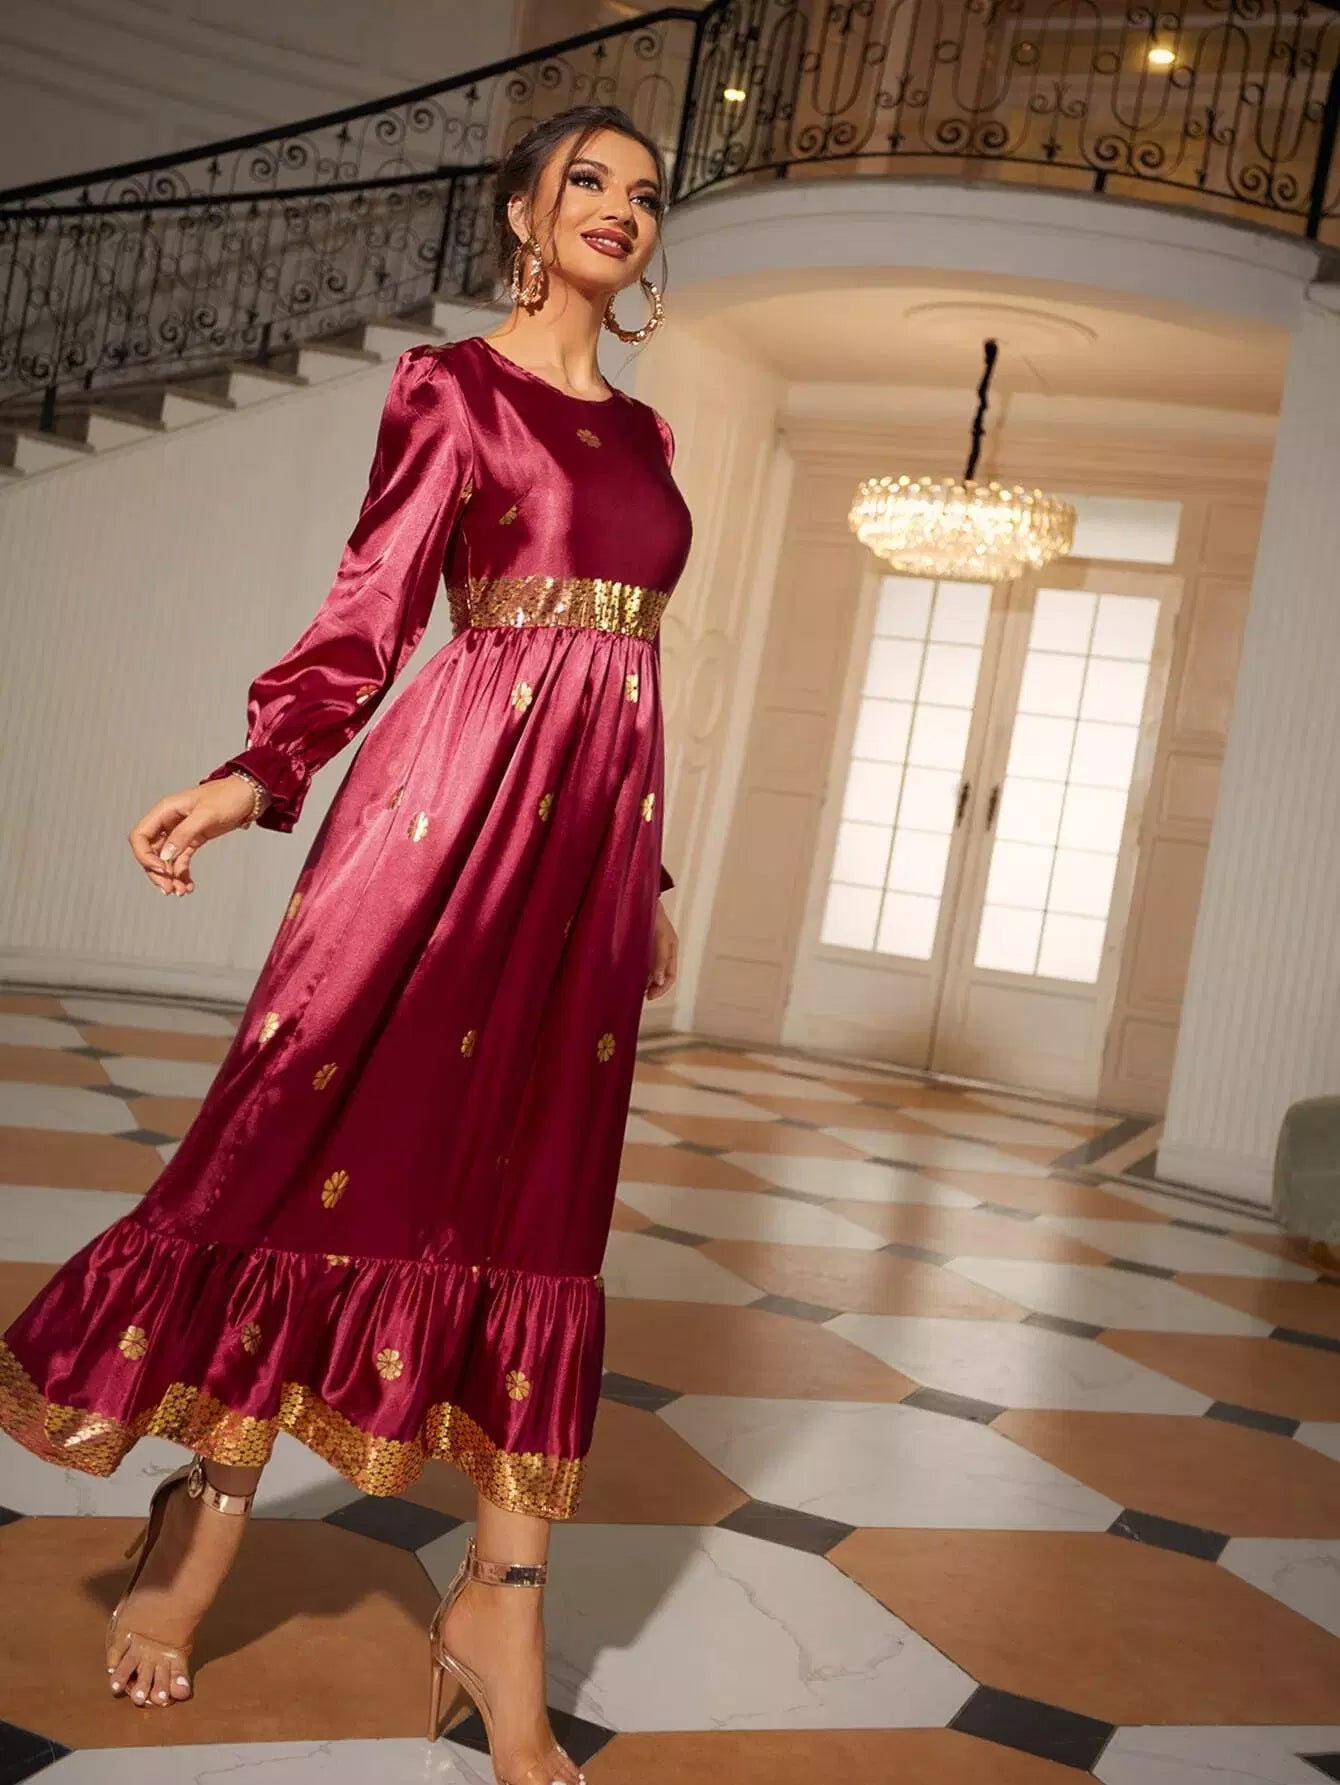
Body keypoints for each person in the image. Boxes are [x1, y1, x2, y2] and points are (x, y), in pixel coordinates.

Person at [0, 102, 692, 1785]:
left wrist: (649, 875)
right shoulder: (454, 389)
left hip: (585, 866)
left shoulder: (653, 432)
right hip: (435, 827)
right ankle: (208, 1516)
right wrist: (257, 771)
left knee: (539, 1210)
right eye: (586, 181)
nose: (618, 207)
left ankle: (501, 1609)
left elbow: (628, 678)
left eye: (644, 192)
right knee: (307, 1159)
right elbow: (374, 608)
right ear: (522, 213)